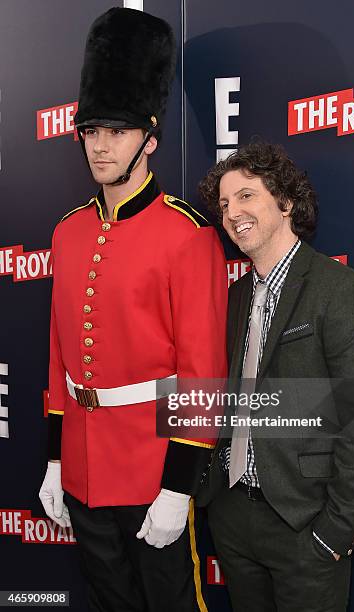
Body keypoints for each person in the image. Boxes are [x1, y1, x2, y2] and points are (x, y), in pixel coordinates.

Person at [39, 8, 227, 612]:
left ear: (149, 138)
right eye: (91, 130)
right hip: (83, 472)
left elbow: (202, 374)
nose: (99, 146)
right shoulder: (66, 233)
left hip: (152, 472)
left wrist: (177, 488)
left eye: (115, 131)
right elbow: (59, 356)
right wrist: (55, 456)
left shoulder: (187, 234)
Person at [197, 141, 354, 612]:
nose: (232, 211)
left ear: (285, 202)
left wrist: (334, 532)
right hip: (233, 516)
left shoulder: (341, 290)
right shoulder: (235, 296)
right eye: (224, 203)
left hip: (306, 525)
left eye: (246, 196)